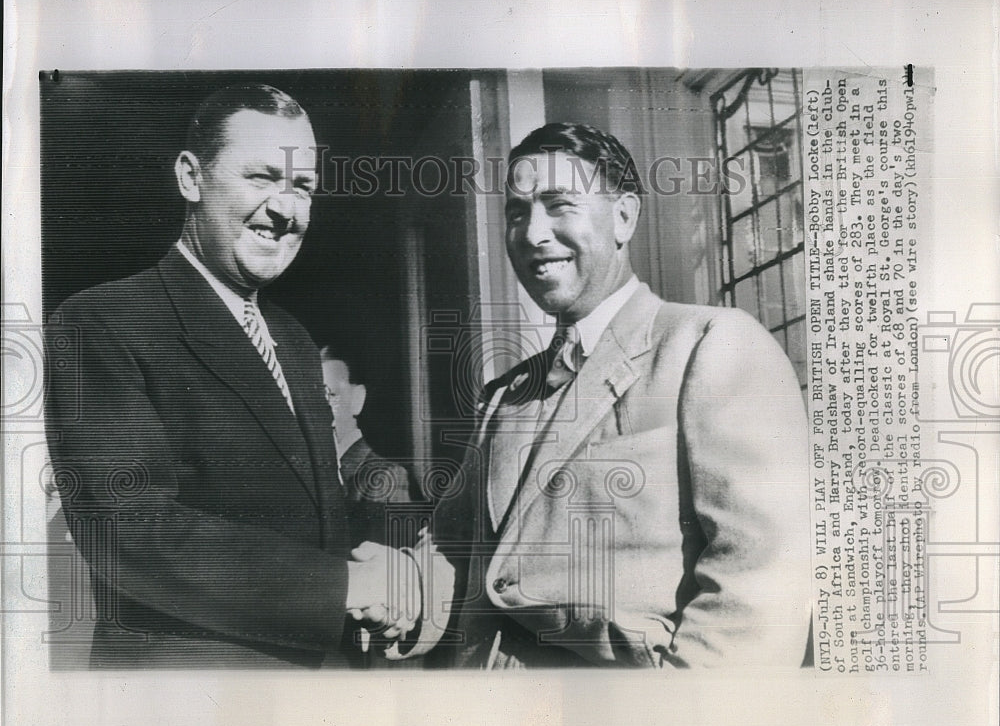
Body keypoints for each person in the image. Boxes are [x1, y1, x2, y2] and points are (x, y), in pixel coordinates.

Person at [398, 122, 811, 669]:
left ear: (624, 216)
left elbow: (763, 576)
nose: (532, 233)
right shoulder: (504, 396)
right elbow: (460, 565)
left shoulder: (708, 345)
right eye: (517, 212)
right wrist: (362, 585)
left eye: (559, 205)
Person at [44, 83, 416, 668]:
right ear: (191, 177)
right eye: (262, 177)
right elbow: (131, 530)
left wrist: (391, 576)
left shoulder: (291, 337)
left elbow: (313, 516)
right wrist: (349, 588)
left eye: (303, 187)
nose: (285, 209)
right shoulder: (102, 320)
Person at [319, 345, 423, 537]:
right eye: (311, 399)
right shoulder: (311, 473)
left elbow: (385, 563)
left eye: (330, 395)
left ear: (358, 399)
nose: (318, 410)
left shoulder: (384, 476)